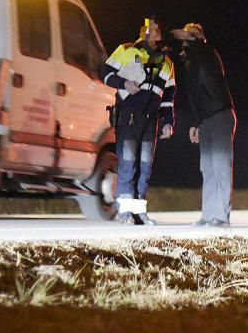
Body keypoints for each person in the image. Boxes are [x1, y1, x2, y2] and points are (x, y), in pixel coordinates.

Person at [101, 18, 176, 225]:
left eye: (157, 29)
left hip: (151, 120)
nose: (155, 31)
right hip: (129, 116)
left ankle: (138, 212)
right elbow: (105, 74)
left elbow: (168, 95)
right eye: (151, 28)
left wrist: (168, 121)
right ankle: (124, 212)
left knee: (145, 167)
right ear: (143, 32)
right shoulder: (126, 50)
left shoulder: (165, 61)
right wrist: (124, 83)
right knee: (128, 162)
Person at [171, 23, 236, 227]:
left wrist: (193, 39)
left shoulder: (207, 54)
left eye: (194, 34)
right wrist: (195, 123)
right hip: (206, 119)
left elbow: (212, 85)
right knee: (207, 168)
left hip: (220, 114)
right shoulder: (190, 61)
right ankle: (208, 215)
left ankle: (222, 217)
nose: (188, 37)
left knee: (220, 166)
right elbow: (194, 97)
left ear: (200, 38)